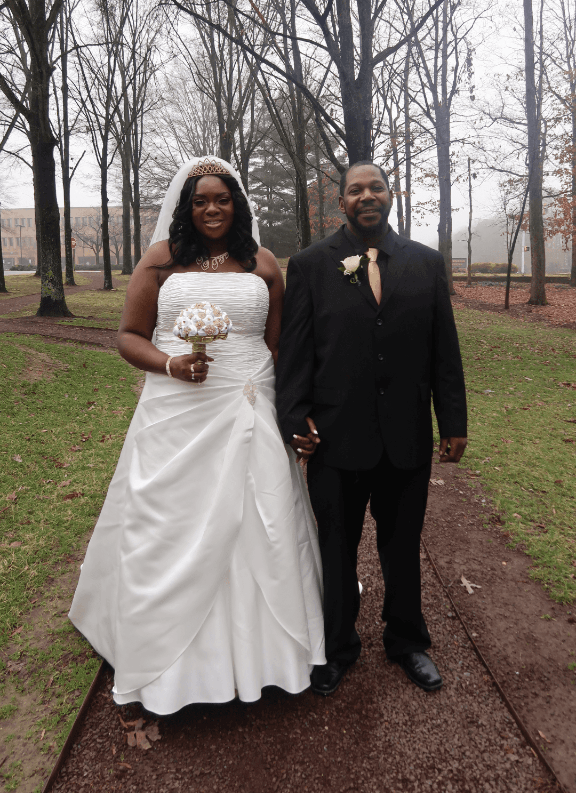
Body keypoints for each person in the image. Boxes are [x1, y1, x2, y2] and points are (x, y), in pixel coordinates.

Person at [69, 156, 325, 714]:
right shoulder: (160, 259)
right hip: (180, 405)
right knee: (172, 520)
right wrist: (169, 364)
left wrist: (293, 412)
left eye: (222, 199)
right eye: (201, 201)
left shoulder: (263, 263)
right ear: (186, 208)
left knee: (263, 517)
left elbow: (278, 346)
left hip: (251, 399)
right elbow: (129, 336)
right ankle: (166, 654)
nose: (212, 209)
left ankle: (270, 652)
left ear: (238, 205)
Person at [276, 161, 467, 696]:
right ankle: (337, 647)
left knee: (402, 546)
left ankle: (407, 641)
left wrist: (453, 421)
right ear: (341, 202)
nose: (367, 196)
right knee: (336, 549)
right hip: (335, 438)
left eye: (375, 187)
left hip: (407, 436)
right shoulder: (311, 265)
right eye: (355, 190)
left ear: (390, 195)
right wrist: (294, 418)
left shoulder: (426, 263)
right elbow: (295, 352)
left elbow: (444, 349)